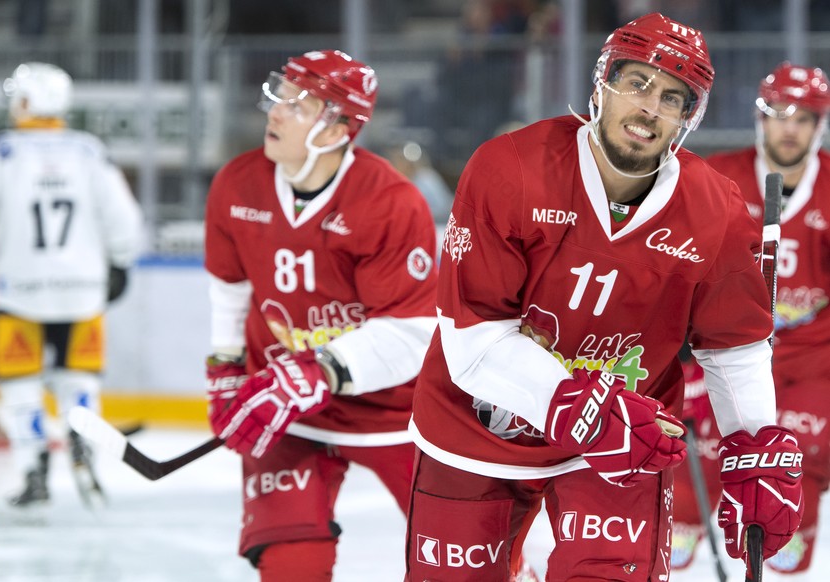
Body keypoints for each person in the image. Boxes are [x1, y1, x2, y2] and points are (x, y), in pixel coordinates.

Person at [404, 13, 805, 581]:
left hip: (628, 439)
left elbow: (732, 345)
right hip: (479, 425)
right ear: (601, 85)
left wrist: (755, 447)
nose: (649, 108)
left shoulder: (715, 209)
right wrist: (585, 409)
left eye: (672, 97)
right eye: (636, 83)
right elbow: (474, 340)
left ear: (688, 119)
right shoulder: (509, 169)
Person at [202, 50, 439, 581]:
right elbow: (229, 290)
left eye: (298, 105)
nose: (276, 113)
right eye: (279, 97)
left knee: (470, 564)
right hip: (292, 410)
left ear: (336, 132)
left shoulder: (390, 203)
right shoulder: (238, 185)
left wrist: (320, 368)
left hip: (397, 414)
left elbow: (412, 331)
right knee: (291, 562)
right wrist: (224, 370)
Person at [0, 62, 144, 507]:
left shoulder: (0, 151)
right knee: (78, 379)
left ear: (24, 102)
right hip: (82, 290)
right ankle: (82, 438)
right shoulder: (90, 151)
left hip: (18, 291)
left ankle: (33, 468)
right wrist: (119, 262)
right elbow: (126, 220)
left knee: (20, 385)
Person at [673, 61, 830, 580]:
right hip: (723, 346)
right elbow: (679, 258)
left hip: (813, 360)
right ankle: (691, 510)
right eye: (780, 114)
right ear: (761, 118)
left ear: (818, 125)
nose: (791, 127)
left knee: (792, 457)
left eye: (804, 118)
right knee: (700, 442)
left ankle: (795, 509)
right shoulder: (716, 176)